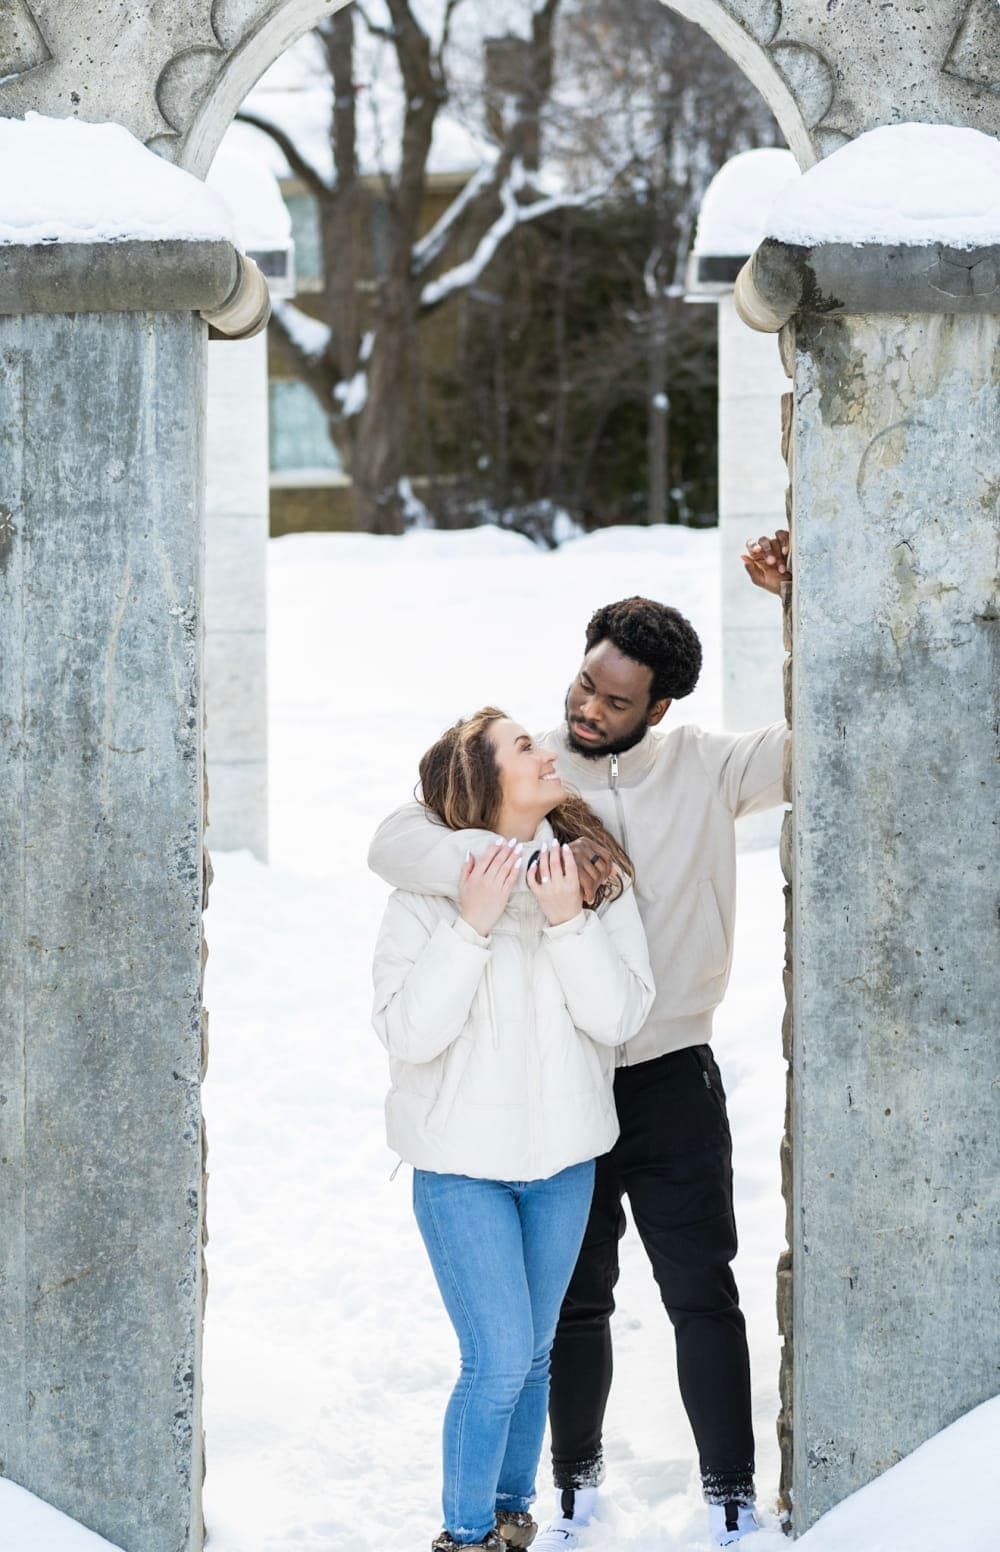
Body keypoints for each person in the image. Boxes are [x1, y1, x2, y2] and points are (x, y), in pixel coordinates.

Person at [368, 534, 790, 1550]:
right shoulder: (534, 799)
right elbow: (397, 835)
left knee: (699, 1286)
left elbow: (817, 737)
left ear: (658, 706)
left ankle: (729, 1490)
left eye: (611, 699)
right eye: (581, 684)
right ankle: (560, 1488)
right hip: (563, 1092)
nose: (583, 710)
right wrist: (496, 871)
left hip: (662, 1074)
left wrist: (797, 611)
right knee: (565, 1316)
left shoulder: (692, 775)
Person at [371, 707, 655, 1552]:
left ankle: (507, 1515)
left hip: (563, 1164)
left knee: (532, 1359)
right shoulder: (424, 899)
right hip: (461, 1170)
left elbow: (618, 1016)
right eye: (524, 747)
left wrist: (569, 922)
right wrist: (474, 924)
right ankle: (464, 1538)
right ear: (486, 784)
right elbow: (407, 1034)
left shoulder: (594, 880)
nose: (547, 752)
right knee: (496, 1359)